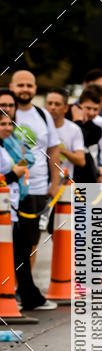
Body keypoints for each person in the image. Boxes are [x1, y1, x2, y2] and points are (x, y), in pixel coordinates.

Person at [0, 111, 57, 310]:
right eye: (3, 124)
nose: (8, 127)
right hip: (5, 210)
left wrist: (19, 168)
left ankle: (26, 295)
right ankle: (21, 295)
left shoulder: (10, 142)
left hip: (13, 206)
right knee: (17, 252)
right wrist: (13, 174)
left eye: (9, 123)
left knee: (21, 250)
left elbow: (29, 159)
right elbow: (7, 174)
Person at [10, 70, 61, 269]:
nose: (25, 89)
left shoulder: (43, 115)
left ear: (35, 89)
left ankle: (24, 288)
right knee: (8, 239)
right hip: (9, 187)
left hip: (38, 188)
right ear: (12, 87)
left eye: (29, 85)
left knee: (32, 242)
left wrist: (55, 183)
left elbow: (53, 149)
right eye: (20, 85)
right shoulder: (5, 112)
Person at [45, 88, 85, 179]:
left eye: (57, 104)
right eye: (49, 103)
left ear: (66, 108)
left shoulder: (74, 129)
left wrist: (60, 150)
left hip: (64, 182)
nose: (53, 107)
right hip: (41, 183)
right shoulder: (39, 127)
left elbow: (81, 160)